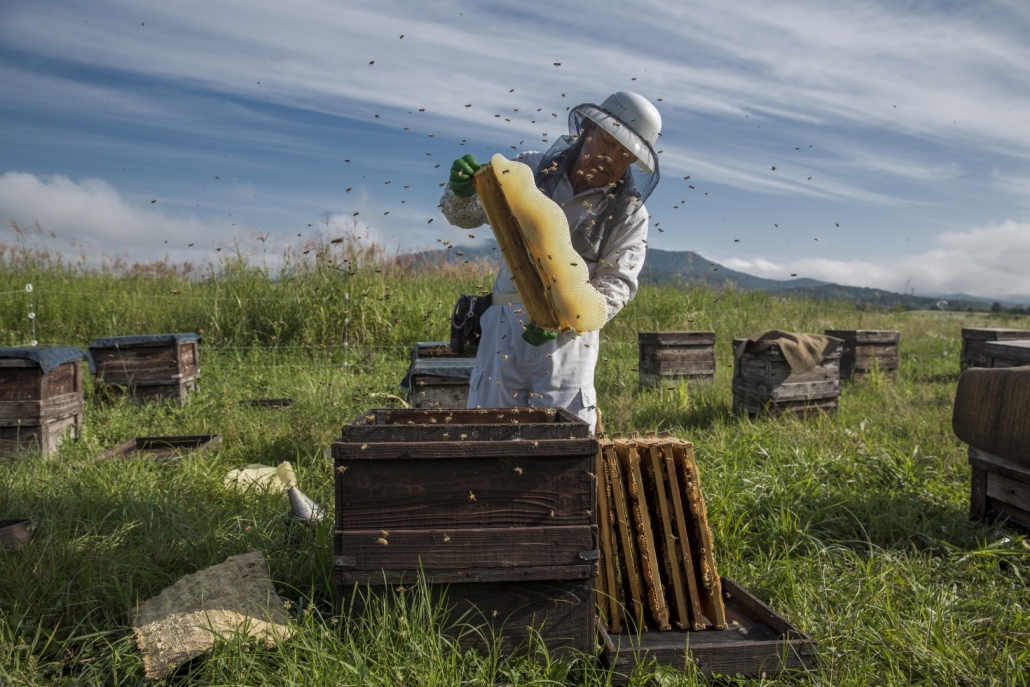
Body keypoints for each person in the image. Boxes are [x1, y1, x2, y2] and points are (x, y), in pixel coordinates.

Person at [439, 91, 661, 430]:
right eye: (608, 140)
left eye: (626, 153)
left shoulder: (630, 213)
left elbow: (618, 283)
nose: (612, 157)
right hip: (505, 321)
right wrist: (463, 193)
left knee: (565, 440)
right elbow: (468, 216)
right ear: (589, 128)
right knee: (487, 429)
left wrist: (567, 317)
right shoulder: (530, 167)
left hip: (569, 340)